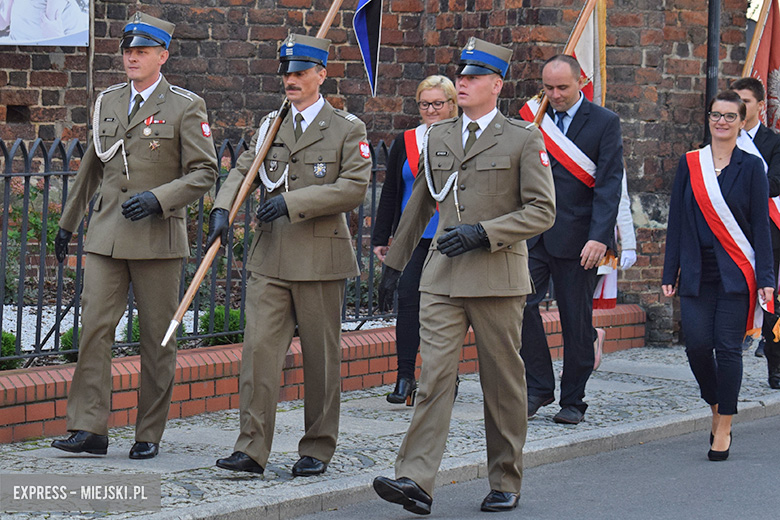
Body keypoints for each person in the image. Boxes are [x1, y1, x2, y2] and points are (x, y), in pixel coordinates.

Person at [372, 38, 556, 514]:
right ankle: (414, 479)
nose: (464, 82)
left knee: (502, 384)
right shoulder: (436, 136)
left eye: (474, 76)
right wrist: (393, 267)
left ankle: (505, 478)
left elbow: (542, 211)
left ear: (497, 85)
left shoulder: (522, 137)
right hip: (442, 278)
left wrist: (484, 232)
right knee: (433, 378)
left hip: (497, 278)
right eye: (462, 75)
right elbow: (417, 207)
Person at [51, 12, 218, 460]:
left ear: (162, 55)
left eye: (142, 51)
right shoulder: (107, 99)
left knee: (157, 339)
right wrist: (68, 223)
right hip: (106, 234)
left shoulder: (185, 105)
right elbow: (92, 165)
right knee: (94, 331)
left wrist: (159, 199)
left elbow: (205, 172)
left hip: (156, 237)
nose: (132, 57)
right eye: (128, 50)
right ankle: (89, 428)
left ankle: (149, 432)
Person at [210, 33, 371, 477]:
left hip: (320, 260)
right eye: (287, 72)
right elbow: (244, 169)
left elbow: (353, 188)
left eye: (300, 72)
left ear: (322, 73)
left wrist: (294, 203)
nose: (291, 80)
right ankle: (251, 448)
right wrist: (223, 208)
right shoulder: (271, 124)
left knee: (321, 361)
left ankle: (317, 447)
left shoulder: (346, 128)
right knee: (258, 353)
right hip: (271, 256)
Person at [662, 90, 774, 461]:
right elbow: (676, 219)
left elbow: (760, 227)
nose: (721, 121)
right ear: (708, 119)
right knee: (695, 345)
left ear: (742, 122)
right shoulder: (690, 163)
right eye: (716, 115)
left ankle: (724, 422)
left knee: (727, 349)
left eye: (730, 116)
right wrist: (669, 269)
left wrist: (767, 278)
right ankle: (715, 404)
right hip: (696, 271)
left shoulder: (751, 167)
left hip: (737, 274)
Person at [519, 54, 624, 425]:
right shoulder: (533, 118)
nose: (555, 94)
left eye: (562, 87)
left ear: (581, 81)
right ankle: (538, 387)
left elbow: (610, 185)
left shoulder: (604, 123)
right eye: (548, 87)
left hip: (580, 239)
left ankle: (574, 399)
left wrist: (599, 238)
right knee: (518, 307)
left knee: (574, 320)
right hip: (533, 235)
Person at [372, 75, 457, 405]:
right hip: (415, 237)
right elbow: (392, 191)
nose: (431, 110)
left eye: (438, 103)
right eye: (425, 104)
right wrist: (382, 237)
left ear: (452, 104)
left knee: (446, 308)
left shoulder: (464, 139)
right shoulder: (407, 140)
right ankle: (405, 376)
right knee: (408, 301)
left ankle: (447, 376)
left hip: (451, 236)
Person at [732, 77, 780, 386]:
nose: (737, 106)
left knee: (770, 300)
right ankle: (725, 366)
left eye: (745, 101)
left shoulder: (773, 143)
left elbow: (775, 184)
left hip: (766, 231)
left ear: (760, 106)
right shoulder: (721, 138)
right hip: (731, 229)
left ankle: (775, 366)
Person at [591, 172, 637, 368]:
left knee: (580, 300)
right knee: (569, 301)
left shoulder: (609, 148)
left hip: (602, 238)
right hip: (565, 233)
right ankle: (590, 339)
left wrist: (629, 244)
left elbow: (621, 199)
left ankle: (584, 350)